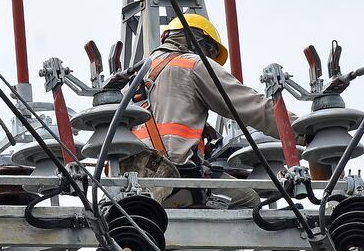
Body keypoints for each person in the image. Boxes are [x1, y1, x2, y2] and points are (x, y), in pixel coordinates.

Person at [123, 13, 286, 208]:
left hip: (129, 181)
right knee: (249, 199)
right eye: (211, 52)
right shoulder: (193, 64)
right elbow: (251, 106)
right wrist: (304, 131)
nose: (211, 59)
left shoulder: (133, 76)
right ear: (200, 43)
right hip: (174, 179)